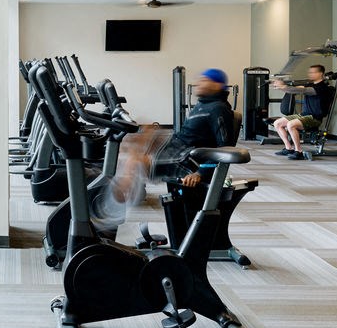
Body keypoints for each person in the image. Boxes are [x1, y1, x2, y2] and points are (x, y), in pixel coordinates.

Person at [94, 68, 235, 224]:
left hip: (187, 159)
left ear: (217, 85)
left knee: (132, 162)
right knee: (134, 139)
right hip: (177, 147)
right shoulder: (202, 105)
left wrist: (200, 173)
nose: (198, 84)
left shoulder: (218, 109)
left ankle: (109, 214)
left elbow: (225, 149)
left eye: (204, 81)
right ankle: (126, 189)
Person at [271, 64, 334, 160]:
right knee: (277, 123)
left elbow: (303, 90)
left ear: (321, 73)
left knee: (291, 125)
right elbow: (295, 89)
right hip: (303, 115)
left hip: (314, 118)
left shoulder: (323, 88)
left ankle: (298, 151)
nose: (310, 74)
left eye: (313, 72)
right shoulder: (310, 84)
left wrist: (283, 86)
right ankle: (289, 148)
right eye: (310, 72)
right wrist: (282, 86)